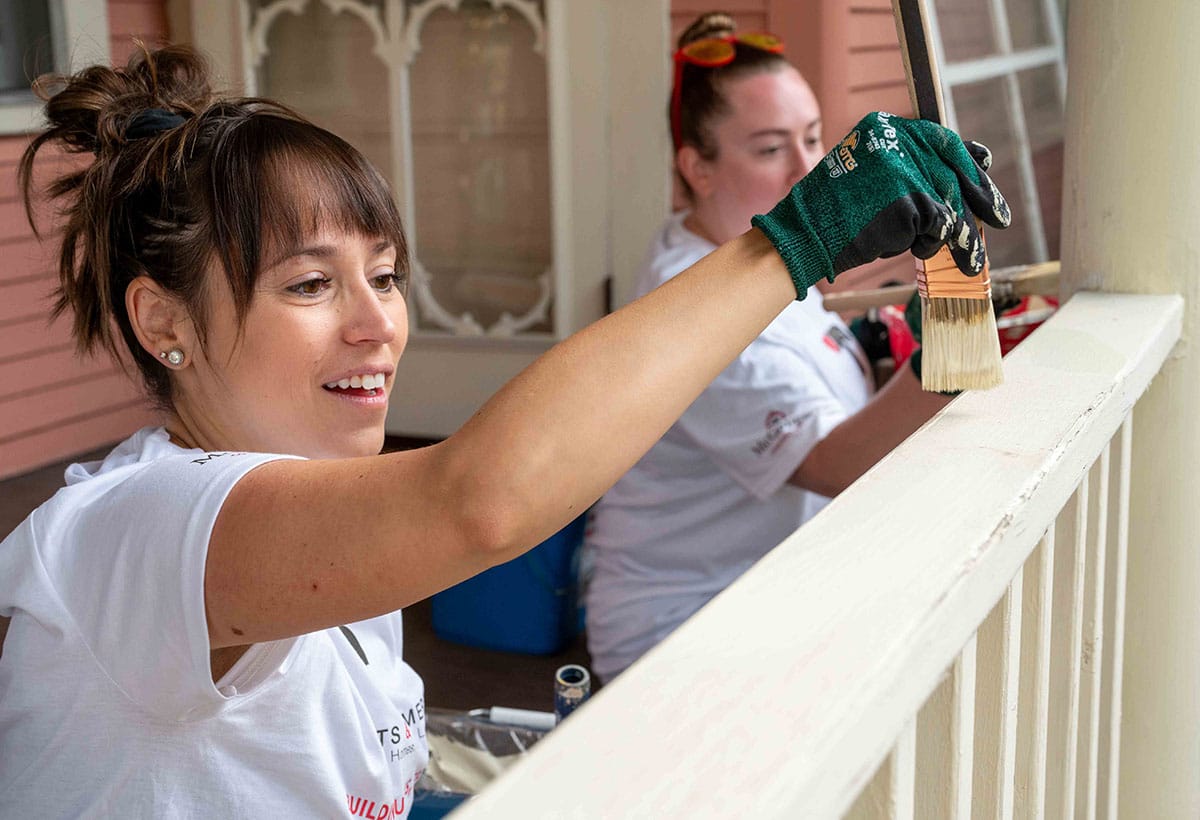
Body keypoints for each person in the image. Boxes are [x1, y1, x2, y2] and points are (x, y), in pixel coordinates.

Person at [0, 41, 1007, 816]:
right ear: (162, 320)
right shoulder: (133, 527)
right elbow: (478, 500)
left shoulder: (323, 520)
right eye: (309, 283)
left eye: (385, 277)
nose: (376, 323)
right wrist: (798, 239)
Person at [583, 12, 1006, 683]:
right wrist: (950, 352)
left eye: (814, 138)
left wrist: (884, 341)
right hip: (683, 636)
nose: (809, 169)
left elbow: (815, 361)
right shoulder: (696, 305)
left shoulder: (746, 251)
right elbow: (834, 464)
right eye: (770, 147)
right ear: (697, 167)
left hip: (772, 594)